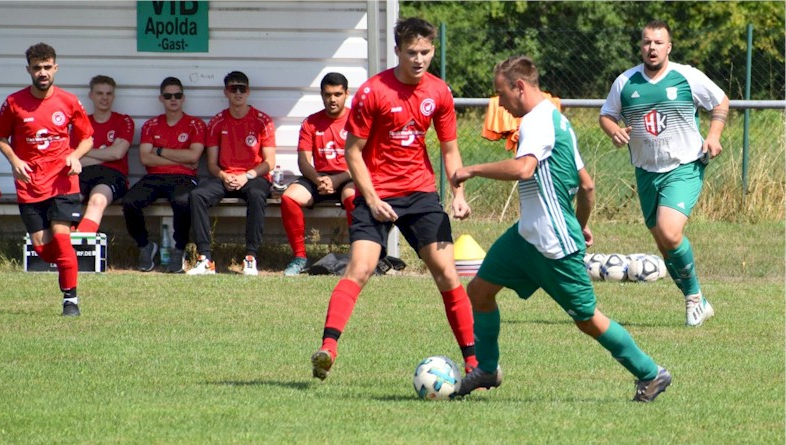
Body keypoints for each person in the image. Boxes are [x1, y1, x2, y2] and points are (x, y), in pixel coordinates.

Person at [451, 55, 671, 402]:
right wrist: (580, 225)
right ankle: (488, 370)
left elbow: (525, 169)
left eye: (501, 93)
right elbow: (587, 186)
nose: (501, 103)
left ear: (519, 87)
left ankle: (650, 373)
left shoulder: (538, 122)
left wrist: (472, 170)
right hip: (526, 237)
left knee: (588, 319)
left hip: (552, 244)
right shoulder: (558, 121)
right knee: (478, 292)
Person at [311, 17, 477, 381]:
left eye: (426, 52)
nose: (419, 59)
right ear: (398, 51)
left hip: (420, 194)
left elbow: (450, 150)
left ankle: (474, 366)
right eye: (412, 52)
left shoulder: (439, 92)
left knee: (448, 273)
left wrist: (458, 192)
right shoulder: (374, 92)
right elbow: (352, 151)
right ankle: (328, 349)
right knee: (361, 268)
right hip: (377, 193)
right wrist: (371, 199)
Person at [599, 20, 728, 327]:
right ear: (640, 46)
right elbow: (606, 115)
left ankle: (694, 299)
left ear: (669, 47)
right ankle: (696, 300)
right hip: (646, 171)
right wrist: (613, 130)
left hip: (684, 165)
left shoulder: (686, 76)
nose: (652, 48)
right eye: (646, 42)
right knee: (663, 242)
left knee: (669, 232)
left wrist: (714, 136)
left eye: (658, 43)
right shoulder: (626, 82)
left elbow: (720, 101)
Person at [0, 42, 94, 316]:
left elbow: (88, 137)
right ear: (29, 70)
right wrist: (15, 160)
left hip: (63, 181)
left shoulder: (69, 101)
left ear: (56, 68)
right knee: (45, 250)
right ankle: (66, 266)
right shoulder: (13, 102)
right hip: (30, 185)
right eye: (37, 68)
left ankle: (70, 300)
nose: (43, 72)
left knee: (61, 241)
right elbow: (1, 138)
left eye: (48, 67)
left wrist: (75, 156)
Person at [187, 71, 275, 275]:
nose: (238, 93)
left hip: (253, 177)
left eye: (242, 88)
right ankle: (205, 258)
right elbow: (211, 164)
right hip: (225, 177)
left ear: (248, 91)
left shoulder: (262, 121)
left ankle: (251, 257)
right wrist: (224, 176)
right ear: (225, 92)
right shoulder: (218, 121)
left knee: (257, 195)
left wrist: (247, 175)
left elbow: (270, 162)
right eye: (233, 89)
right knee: (197, 195)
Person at [122, 77, 206, 273]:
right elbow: (145, 158)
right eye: (168, 96)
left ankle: (179, 250)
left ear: (183, 98)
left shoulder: (195, 124)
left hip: (184, 177)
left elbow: (194, 156)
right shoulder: (151, 125)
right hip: (155, 177)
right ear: (161, 98)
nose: (173, 99)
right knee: (129, 201)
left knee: (183, 201)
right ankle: (145, 246)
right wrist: (181, 158)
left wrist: (159, 151)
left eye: (177, 95)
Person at [280, 72, 356, 276]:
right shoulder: (311, 122)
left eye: (338, 94)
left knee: (353, 198)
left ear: (346, 94)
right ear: (321, 95)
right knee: (288, 198)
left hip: (348, 176)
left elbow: (364, 160)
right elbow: (303, 161)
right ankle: (300, 258)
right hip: (319, 177)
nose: (332, 99)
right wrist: (318, 179)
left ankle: (357, 257)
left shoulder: (356, 120)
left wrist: (338, 179)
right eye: (328, 94)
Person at [74, 75, 135, 233]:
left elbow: (117, 153)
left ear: (113, 96)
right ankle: (65, 246)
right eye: (100, 93)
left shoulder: (124, 121)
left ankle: (83, 244)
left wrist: (86, 152)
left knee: (97, 200)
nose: (104, 98)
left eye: (108, 93)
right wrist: (105, 153)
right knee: (69, 201)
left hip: (112, 174)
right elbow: (74, 159)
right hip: (82, 173)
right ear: (91, 95)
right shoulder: (81, 124)